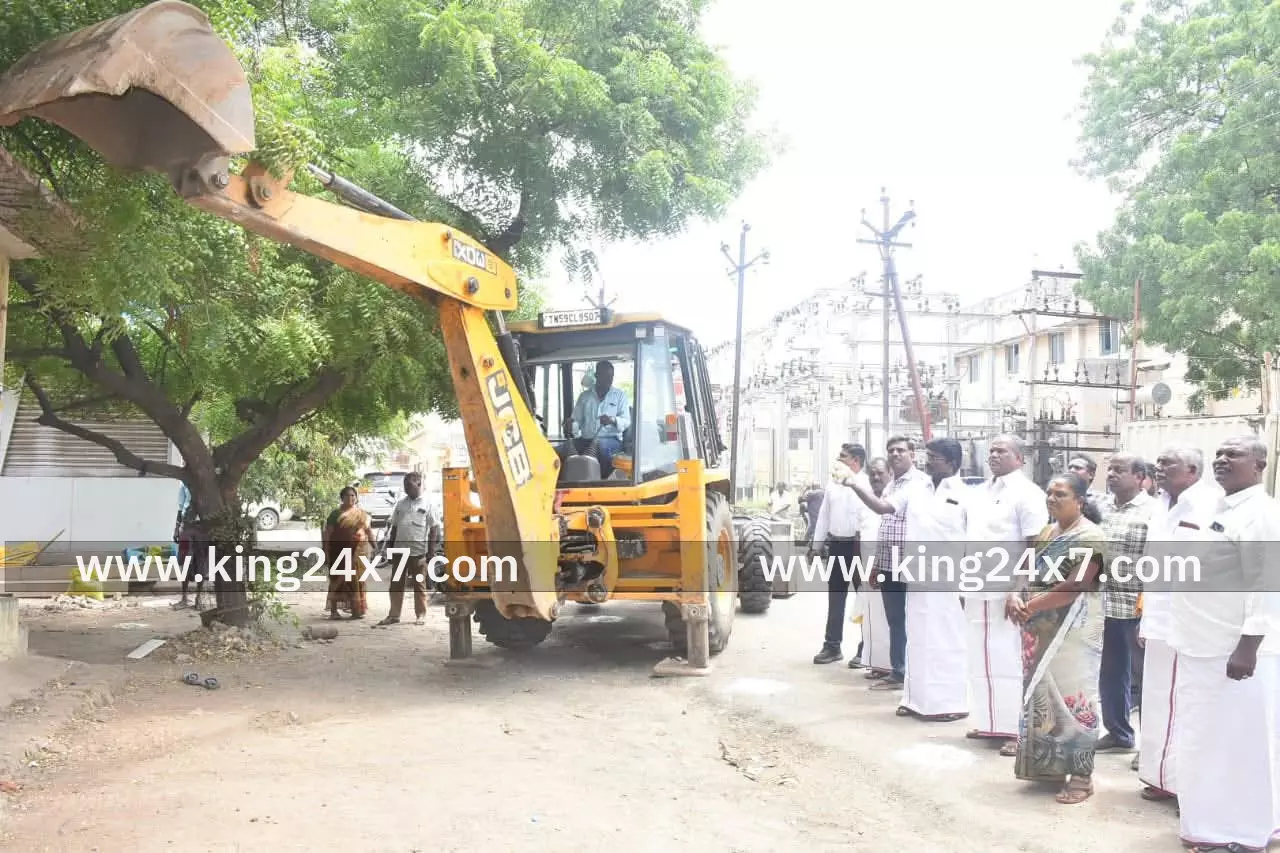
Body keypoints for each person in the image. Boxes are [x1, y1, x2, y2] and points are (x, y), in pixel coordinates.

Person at [1170, 435, 1280, 853]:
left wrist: (1247, 646)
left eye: (1233, 454)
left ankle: (1242, 833)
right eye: (1218, 453)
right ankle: (1213, 824)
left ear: (1259, 465)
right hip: (1202, 644)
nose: (1221, 460)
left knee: (1241, 745)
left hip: (1235, 652)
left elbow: (1267, 585)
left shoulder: (1263, 513)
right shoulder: (1222, 507)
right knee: (1207, 741)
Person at [1008, 472, 1106, 805]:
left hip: (1073, 629)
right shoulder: (1049, 532)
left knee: (1075, 699)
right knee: (1042, 695)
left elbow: (1076, 585)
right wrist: (1015, 596)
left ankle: (1082, 776)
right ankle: (1049, 766)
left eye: (1060, 494)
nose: (1052, 499)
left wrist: (1030, 606)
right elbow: (1029, 569)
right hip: (1039, 625)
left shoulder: (1092, 536)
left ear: (1080, 500)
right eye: (1049, 493)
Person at [1136, 445, 1221, 803]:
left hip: (1192, 623)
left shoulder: (1210, 504)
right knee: (1157, 700)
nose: (1158, 468)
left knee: (1189, 703)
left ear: (1192, 470)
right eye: (1158, 462)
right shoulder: (1161, 505)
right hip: (1158, 618)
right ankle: (1161, 777)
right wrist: (1145, 618)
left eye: (1167, 463)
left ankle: (1188, 785)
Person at [964, 435, 1047, 752]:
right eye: (992, 451)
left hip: (1007, 591)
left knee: (1010, 659)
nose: (994, 455)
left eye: (1002, 451)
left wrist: (1018, 588)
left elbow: (1034, 545)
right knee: (981, 657)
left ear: (1020, 458)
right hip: (977, 586)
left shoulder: (1028, 494)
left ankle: (1016, 729)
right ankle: (989, 722)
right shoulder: (982, 491)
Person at [842, 435, 929, 690]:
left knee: (913, 619)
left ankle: (911, 672)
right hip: (890, 564)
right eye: (891, 450)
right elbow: (885, 528)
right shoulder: (893, 484)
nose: (895, 454)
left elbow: (883, 510)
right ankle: (898, 670)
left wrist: (854, 486)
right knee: (895, 619)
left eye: (900, 450)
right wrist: (878, 564)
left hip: (911, 563)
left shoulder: (919, 484)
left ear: (913, 454)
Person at [895, 438, 971, 722]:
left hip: (949, 578)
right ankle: (915, 700)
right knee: (917, 636)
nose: (928, 462)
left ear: (952, 462)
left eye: (934, 457)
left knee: (947, 639)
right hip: (917, 575)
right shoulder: (917, 489)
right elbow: (885, 506)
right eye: (928, 456)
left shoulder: (966, 495)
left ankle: (949, 703)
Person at [1096, 453, 1154, 753]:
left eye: (1120, 470)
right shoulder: (1100, 507)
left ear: (1140, 476)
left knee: (1145, 677)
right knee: (1110, 672)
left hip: (1135, 606)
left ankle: (1150, 748)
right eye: (1111, 470)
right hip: (1103, 604)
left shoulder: (1153, 511)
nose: (1112, 475)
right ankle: (1118, 732)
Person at [810, 444, 870, 665]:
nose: (838, 459)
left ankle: (866, 649)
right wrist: (816, 546)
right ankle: (832, 646)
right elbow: (824, 516)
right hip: (836, 547)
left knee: (864, 600)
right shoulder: (833, 484)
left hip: (859, 548)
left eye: (842, 457)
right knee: (836, 599)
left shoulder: (866, 484)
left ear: (855, 460)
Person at [374, 471, 439, 627]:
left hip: (418, 553)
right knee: (396, 585)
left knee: (419, 585)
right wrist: (389, 547)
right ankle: (394, 615)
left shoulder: (428, 504)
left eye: (409, 486)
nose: (406, 489)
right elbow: (394, 527)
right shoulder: (400, 504)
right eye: (405, 486)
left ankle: (421, 615)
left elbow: (434, 529)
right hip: (399, 551)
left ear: (419, 485)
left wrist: (431, 552)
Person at [851, 458, 892, 673]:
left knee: (887, 617)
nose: (876, 478)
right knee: (870, 619)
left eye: (880, 473)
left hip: (888, 569)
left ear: (890, 474)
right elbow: (859, 536)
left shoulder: (895, 501)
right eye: (872, 474)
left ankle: (890, 665)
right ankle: (876, 663)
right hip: (866, 570)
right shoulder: (863, 504)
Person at [569, 360, 631, 477]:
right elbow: (576, 421)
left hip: (612, 441)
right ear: (596, 375)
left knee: (598, 445)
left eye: (611, 376)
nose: (609, 379)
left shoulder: (620, 396)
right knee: (567, 446)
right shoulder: (585, 397)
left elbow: (626, 421)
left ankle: (601, 479)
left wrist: (612, 420)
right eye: (605, 376)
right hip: (586, 439)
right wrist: (571, 425)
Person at [323, 486, 374, 620]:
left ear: (356, 498)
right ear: (342, 498)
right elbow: (328, 534)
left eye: (353, 496)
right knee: (337, 580)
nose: (350, 498)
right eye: (347, 496)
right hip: (338, 551)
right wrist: (326, 550)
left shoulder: (362, 514)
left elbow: (368, 531)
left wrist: (375, 546)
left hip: (358, 552)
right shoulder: (335, 514)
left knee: (357, 580)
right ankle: (334, 611)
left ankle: (356, 610)